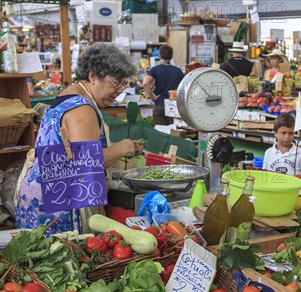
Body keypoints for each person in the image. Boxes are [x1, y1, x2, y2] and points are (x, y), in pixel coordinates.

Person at [15, 43, 142, 235]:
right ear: (92, 76)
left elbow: (73, 151)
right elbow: (85, 165)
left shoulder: (67, 95)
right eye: (115, 83)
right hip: (60, 207)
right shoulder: (82, 109)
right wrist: (122, 148)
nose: (119, 91)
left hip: (40, 197)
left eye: (123, 84)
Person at [143, 45, 185, 125]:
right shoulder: (178, 71)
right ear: (171, 56)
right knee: (174, 132)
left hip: (160, 104)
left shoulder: (155, 70)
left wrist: (151, 97)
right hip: (174, 106)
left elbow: (145, 83)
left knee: (160, 132)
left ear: (160, 56)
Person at [263, 114, 301, 180]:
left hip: (294, 189)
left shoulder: (300, 152)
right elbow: (264, 174)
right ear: (275, 133)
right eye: (283, 133)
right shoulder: (268, 152)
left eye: (291, 133)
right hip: (274, 188)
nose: (287, 137)